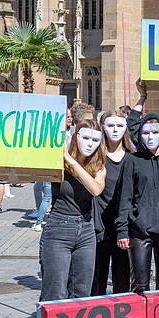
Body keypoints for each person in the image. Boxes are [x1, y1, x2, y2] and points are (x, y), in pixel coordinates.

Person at [39, 121, 107, 301]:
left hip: (86, 229)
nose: (90, 143)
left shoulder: (99, 166)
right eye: (85, 137)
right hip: (59, 227)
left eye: (94, 139)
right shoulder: (58, 162)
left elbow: (96, 189)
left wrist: (71, 161)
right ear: (76, 137)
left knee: (82, 289)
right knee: (55, 290)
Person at [116, 113, 159, 294]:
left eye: (155, 133)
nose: (150, 137)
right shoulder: (132, 160)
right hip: (140, 230)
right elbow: (126, 197)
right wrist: (122, 230)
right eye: (146, 133)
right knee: (140, 283)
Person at [91, 111, 132, 295]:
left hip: (124, 223)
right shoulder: (95, 157)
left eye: (119, 125)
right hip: (99, 223)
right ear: (102, 128)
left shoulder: (132, 157)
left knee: (123, 273)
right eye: (110, 125)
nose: (115, 130)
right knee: (98, 273)